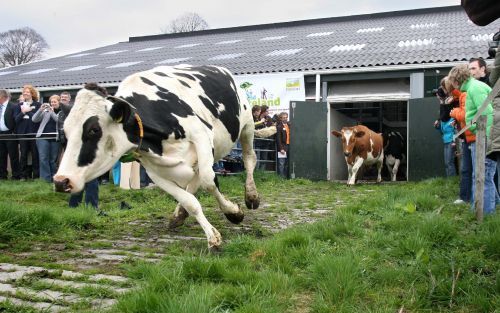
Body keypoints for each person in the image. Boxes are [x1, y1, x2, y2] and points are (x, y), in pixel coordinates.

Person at [448, 64, 497, 215]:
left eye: (452, 82)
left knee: (482, 176)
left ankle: (485, 213)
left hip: (483, 138)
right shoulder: (471, 89)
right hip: (481, 136)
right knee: (484, 175)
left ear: (456, 80)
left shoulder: (475, 89)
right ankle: (487, 208)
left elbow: (488, 114)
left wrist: (483, 137)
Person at [62, 86, 102, 209]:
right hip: (80, 147)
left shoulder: (94, 110)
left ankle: (80, 206)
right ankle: (85, 206)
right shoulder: (79, 109)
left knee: (85, 176)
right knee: (84, 176)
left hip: (87, 147)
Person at [450, 84, 474, 204]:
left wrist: (454, 112)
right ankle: (465, 197)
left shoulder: (465, 95)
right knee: (466, 169)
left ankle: (471, 198)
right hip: (466, 137)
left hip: (473, 136)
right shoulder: (460, 97)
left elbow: (465, 115)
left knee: (474, 170)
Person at [13, 85, 41, 180]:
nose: (25, 93)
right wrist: (23, 112)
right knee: (24, 155)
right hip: (22, 134)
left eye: (27, 92)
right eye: (24, 92)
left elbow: (36, 119)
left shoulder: (38, 105)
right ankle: (23, 175)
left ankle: (36, 175)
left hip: (33, 133)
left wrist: (28, 111)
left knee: (35, 154)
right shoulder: (18, 106)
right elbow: (16, 120)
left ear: (32, 94)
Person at [32, 95, 60, 182]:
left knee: (53, 160)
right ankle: (45, 180)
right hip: (42, 137)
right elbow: (34, 119)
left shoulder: (61, 112)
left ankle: (54, 178)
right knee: (43, 158)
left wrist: (52, 112)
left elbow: (59, 121)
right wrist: (40, 109)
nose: (53, 103)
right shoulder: (45, 111)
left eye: (55, 102)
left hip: (55, 138)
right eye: (51, 102)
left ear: (59, 103)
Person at [0, 89, 21, 180]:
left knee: (13, 156)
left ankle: (16, 175)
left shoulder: (13, 106)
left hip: (10, 134)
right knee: (1, 156)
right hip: (0, 134)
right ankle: (2, 175)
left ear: (3, 96)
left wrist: (14, 132)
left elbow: (16, 120)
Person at [276, 112, 290, 178]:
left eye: (286, 117)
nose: (285, 119)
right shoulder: (279, 126)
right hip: (283, 147)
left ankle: (286, 177)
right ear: (281, 118)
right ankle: (281, 178)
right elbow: (278, 139)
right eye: (284, 117)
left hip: (289, 146)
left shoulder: (289, 125)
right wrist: (281, 148)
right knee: (281, 163)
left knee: (287, 163)